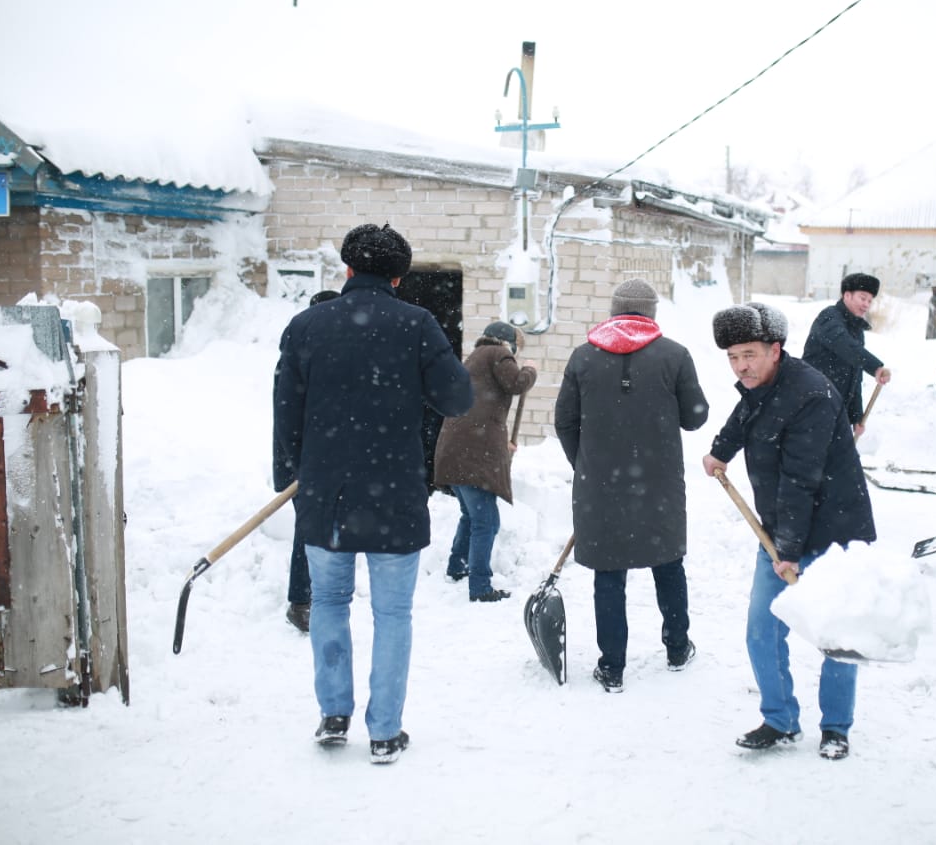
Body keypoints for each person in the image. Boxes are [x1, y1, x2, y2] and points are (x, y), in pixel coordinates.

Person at [273, 223, 473, 763]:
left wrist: (294, 477)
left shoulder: (306, 326)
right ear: (399, 275)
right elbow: (457, 398)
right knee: (392, 615)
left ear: (347, 269)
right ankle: (384, 730)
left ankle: (334, 714)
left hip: (326, 495)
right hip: (394, 495)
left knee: (330, 605)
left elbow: (285, 413)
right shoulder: (417, 324)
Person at [702, 302, 875, 761]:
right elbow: (744, 416)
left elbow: (802, 480)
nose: (741, 366)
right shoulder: (758, 386)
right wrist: (720, 452)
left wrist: (791, 550)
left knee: (834, 635)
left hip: (835, 533)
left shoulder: (811, 394)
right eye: (734, 357)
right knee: (762, 630)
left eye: (750, 355)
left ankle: (836, 728)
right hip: (781, 533)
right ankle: (780, 720)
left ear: (775, 349)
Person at [554, 277, 709, 693]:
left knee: (608, 574)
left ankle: (612, 667)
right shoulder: (674, 355)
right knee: (668, 564)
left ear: (614, 309)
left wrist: (587, 464)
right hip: (659, 485)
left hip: (599, 487)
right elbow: (696, 417)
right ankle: (677, 648)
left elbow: (564, 422)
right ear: (652, 312)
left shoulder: (583, 357)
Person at [433, 321, 537, 602]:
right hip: (473, 455)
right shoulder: (498, 353)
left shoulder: (473, 359)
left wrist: (498, 441)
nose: (514, 353)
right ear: (506, 342)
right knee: (487, 521)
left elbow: (478, 410)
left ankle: (458, 567)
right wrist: (529, 369)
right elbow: (516, 383)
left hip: (456, 451)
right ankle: (480, 586)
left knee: (472, 516)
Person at [276, 288, 340, 633]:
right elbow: (294, 418)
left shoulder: (300, 351)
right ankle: (300, 602)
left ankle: (311, 596)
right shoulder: (301, 357)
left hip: (305, 462)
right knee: (311, 532)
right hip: (304, 464)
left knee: (317, 531)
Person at [802, 272, 891, 437]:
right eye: (862, 298)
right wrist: (875, 368)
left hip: (835, 409)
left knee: (841, 461)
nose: (866, 304)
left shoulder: (856, 330)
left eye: (870, 301)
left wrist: (856, 416)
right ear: (847, 295)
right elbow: (845, 345)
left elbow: (855, 376)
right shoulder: (829, 318)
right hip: (812, 404)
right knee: (812, 459)